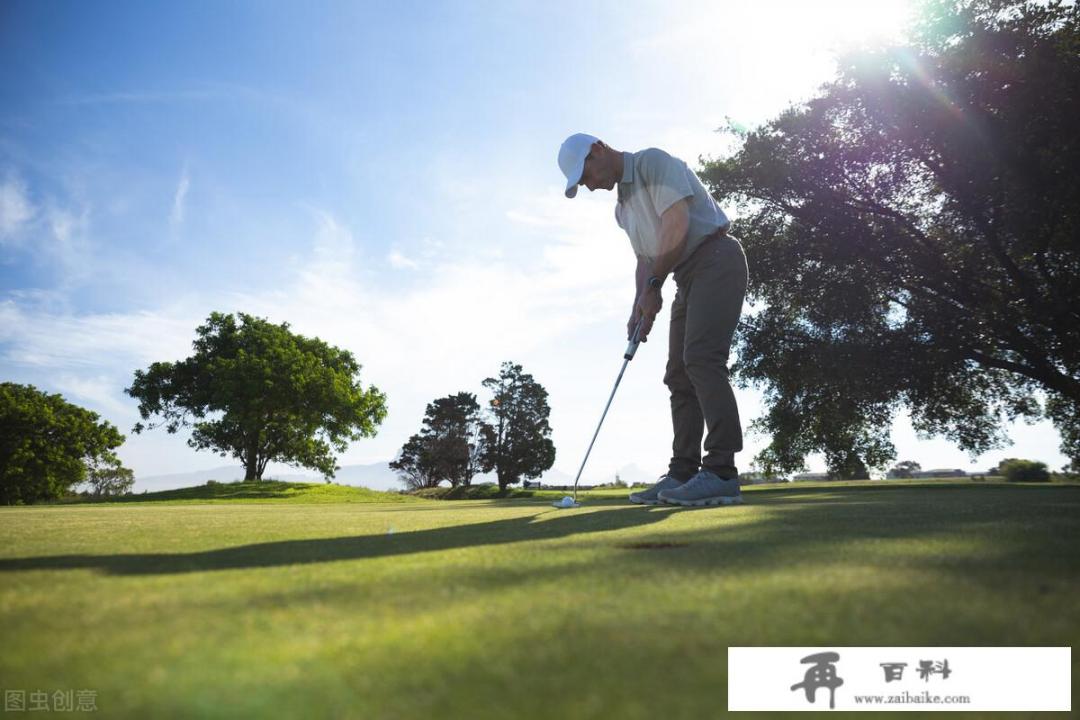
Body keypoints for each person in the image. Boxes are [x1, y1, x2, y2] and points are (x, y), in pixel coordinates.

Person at [557, 133, 749, 507]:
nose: (590, 186)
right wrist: (638, 306)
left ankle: (722, 471)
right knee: (678, 373)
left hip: (715, 258)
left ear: (598, 148)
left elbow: (676, 225)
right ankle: (683, 472)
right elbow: (645, 259)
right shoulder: (622, 210)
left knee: (701, 360)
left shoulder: (652, 163)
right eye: (582, 184)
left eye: (586, 175)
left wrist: (654, 287)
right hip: (683, 277)